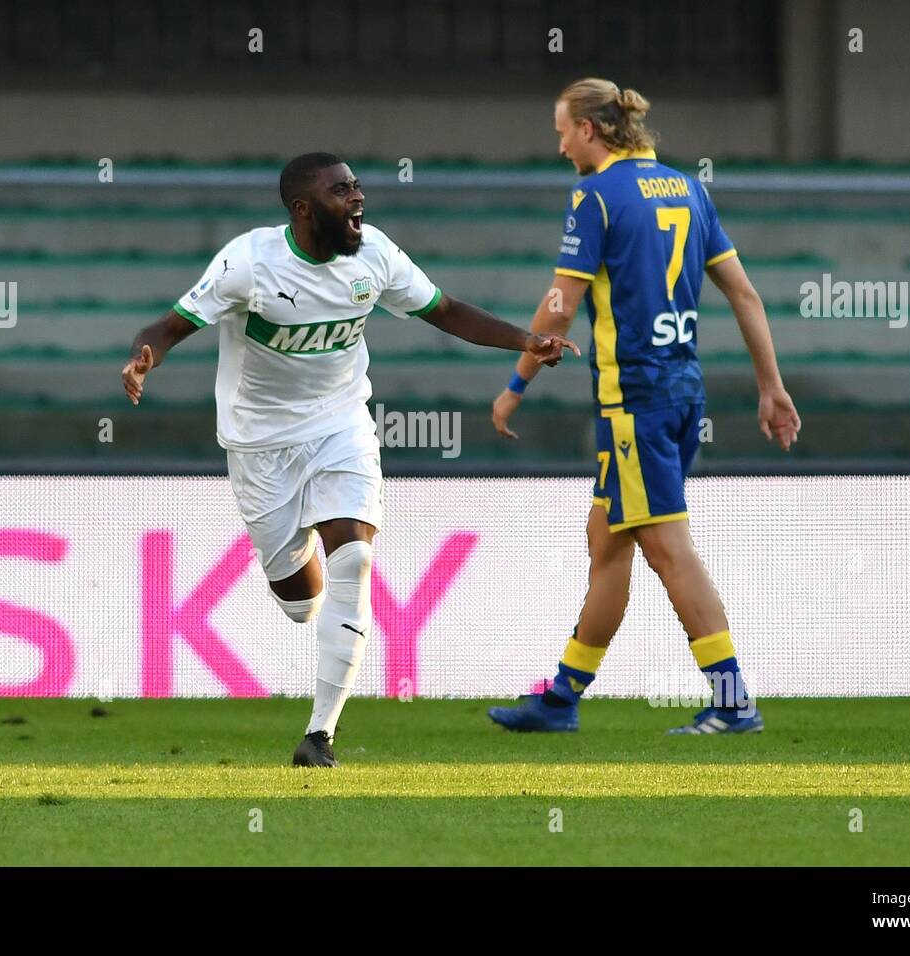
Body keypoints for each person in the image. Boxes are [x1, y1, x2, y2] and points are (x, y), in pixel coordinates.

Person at [123, 152, 577, 765]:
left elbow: (443, 310)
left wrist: (525, 340)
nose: (358, 198)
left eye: (357, 186)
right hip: (260, 445)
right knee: (300, 603)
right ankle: (302, 562)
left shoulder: (374, 255)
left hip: (341, 426)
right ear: (304, 209)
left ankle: (320, 735)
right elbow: (169, 326)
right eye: (342, 191)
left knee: (356, 558)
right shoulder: (248, 262)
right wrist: (143, 357)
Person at [487, 80, 801, 735]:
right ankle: (562, 698)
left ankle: (733, 701)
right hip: (684, 392)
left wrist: (515, 383)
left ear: (592, 132)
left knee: (667, 548)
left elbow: (559, 307)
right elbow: (744, 294)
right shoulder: (689, 189)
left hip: (634, 401)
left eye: (563, 130)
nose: (560, 143)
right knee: (608, 541)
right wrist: (770, 386)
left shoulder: (594, 196)